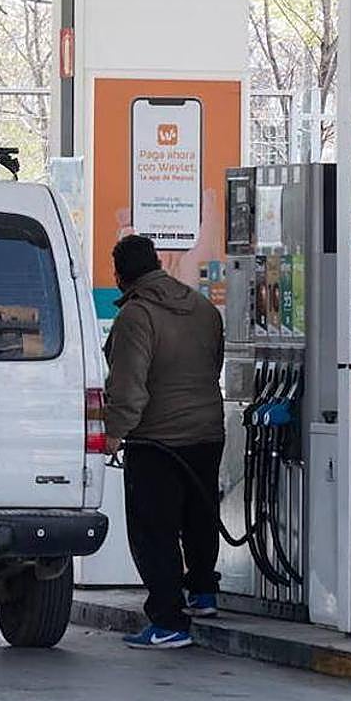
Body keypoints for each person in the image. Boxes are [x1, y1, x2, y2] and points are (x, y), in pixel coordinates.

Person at [103, 235, 225, 649]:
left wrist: (115, 433)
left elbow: (128, 386)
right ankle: (203, 592)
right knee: (200, 515)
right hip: (208, 431)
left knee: (155, 529)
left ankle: (168, 619)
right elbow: (214, 365)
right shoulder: (203, 308)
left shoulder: (137, 317)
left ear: (119, 275)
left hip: (157, 439)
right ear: (157, 263)